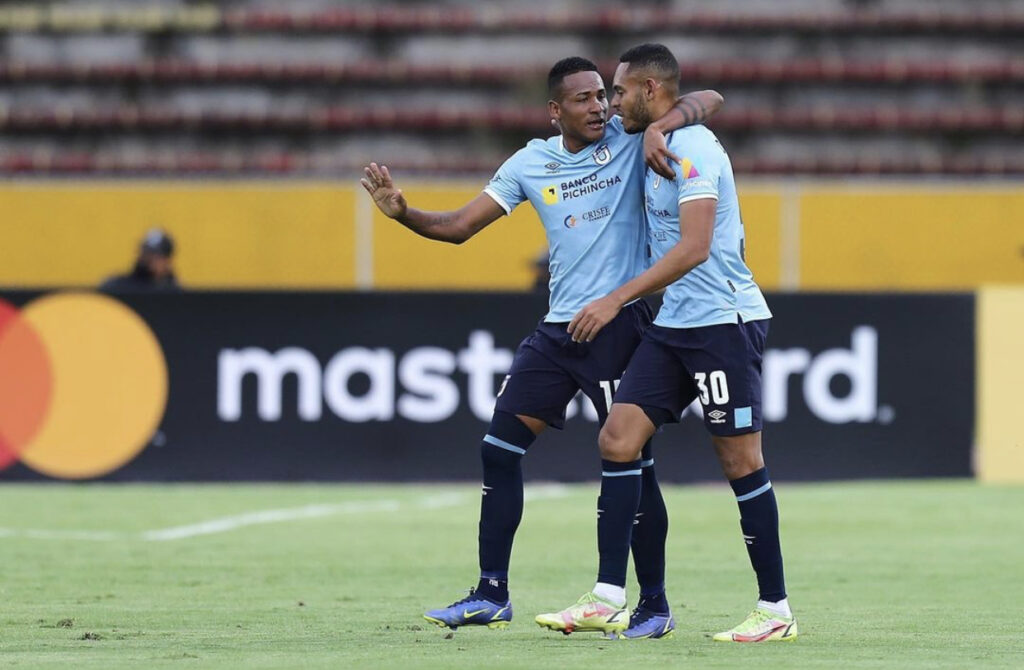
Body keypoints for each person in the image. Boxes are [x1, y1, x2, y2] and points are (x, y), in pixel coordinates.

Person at [360, 56, 723, 636]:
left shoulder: (630, 138)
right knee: (499, 450)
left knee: (634, 466)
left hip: (618, 325)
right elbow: (459, 227)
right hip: (558, 332)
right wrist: (404, 214)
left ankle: (653, 605)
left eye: (603, 95)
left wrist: (659, 125)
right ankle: (491, 594)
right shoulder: (530, 162)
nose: (599, 107)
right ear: (555, 110)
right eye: (583, 99)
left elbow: (710, 98)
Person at [540, 44, 797, 642]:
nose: (610, 103)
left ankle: (775, 609)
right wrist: (658, 126)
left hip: (722, 323)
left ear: (650, 91)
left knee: (740, 462)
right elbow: (705, 97)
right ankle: (609, 595)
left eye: (619, 91)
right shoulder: (651, 136)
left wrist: (615, 299)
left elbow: (694, 248)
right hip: (674, 324)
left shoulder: (696, 149)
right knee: (618, 437)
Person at [100, 228, 181, 293]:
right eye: (148, 254)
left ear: (168, 260)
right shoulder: (119, 287)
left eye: (158, 256)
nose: (151, 260)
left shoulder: (175, 293)